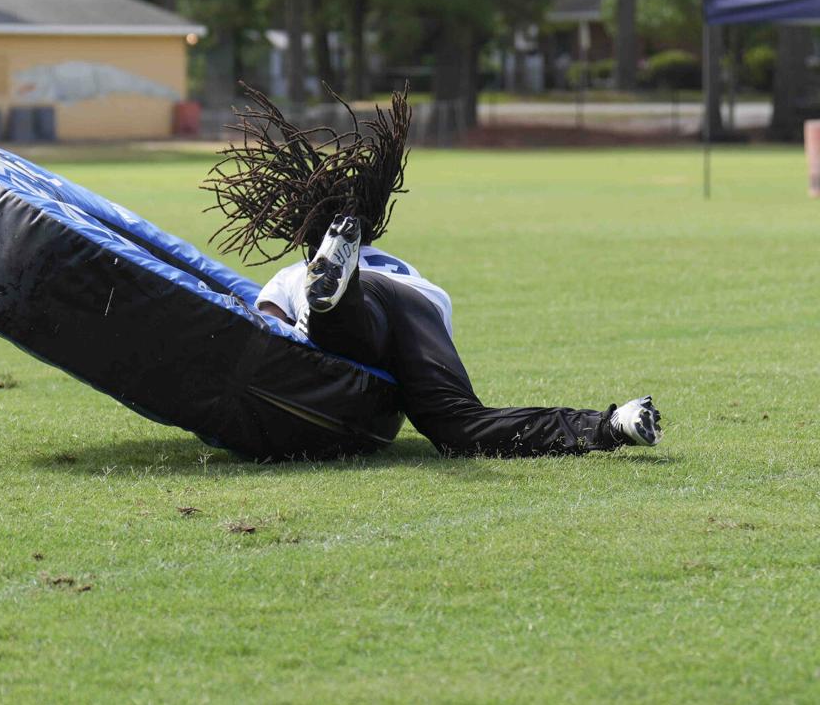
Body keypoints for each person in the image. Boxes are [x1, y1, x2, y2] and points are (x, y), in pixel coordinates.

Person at [203, 84, 662, 456]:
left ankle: (334, 299)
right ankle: (613, 424)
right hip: (420, 302)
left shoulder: (289, 274)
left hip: (366, 301)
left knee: (341, 328)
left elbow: (267, 333)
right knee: (460, 426)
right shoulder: (396, 260)